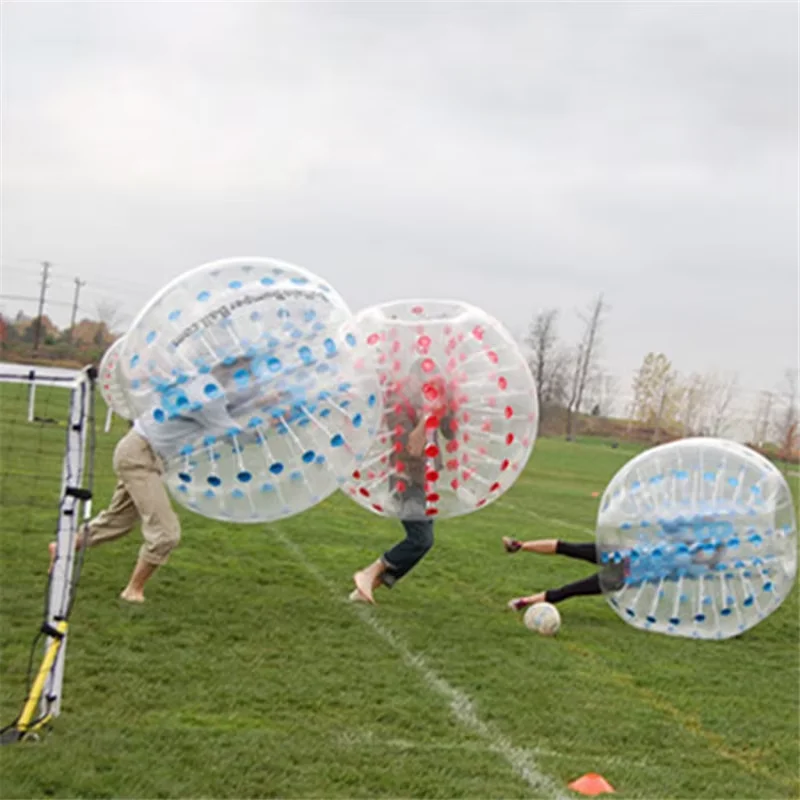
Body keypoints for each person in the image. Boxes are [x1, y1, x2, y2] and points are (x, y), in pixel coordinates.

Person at [48, 357, 269, 603]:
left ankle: (63, 547)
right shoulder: (208, 396)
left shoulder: (202, 384)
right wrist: (269, 424)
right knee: (166, 533)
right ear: (232, 377)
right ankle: (133, 590)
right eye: (247, 379)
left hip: (140, 451)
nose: (249, 385)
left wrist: (265, 402)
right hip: (140, 456)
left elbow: (229, 407)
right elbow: (230, 433)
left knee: (117, 522)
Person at [351, 362, 455, 604]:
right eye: (426, 382)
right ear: (414, 381)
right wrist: (427, 417)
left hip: (426, 482)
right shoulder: (399, 406)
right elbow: (411, 446)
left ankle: (365, 589)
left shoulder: (434, 406)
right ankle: (368, 573)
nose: (430, 388)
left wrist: (448, 409)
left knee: (422, 542)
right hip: (405, 479)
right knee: (421, 538)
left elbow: (450, 433)